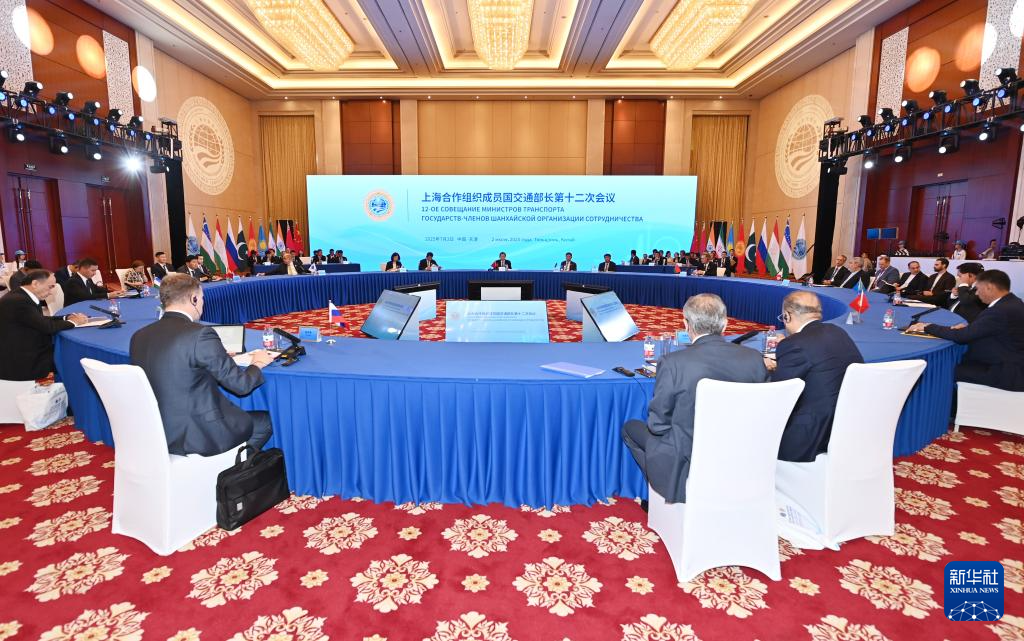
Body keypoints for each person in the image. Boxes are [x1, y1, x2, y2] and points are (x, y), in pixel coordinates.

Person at [621, 293, 768, 504]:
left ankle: (664, 493)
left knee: (630, 428)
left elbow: (657, 425)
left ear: (686, 324)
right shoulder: (753, 358)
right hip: (740, 451)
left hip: (685, 457)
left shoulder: (673, 363)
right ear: (725, 324)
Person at [130, 274, 277, 455]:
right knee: (267, 421)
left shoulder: (139, 335)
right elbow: (241, 385)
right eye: (201, 298)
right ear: (193, 299)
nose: (202, 303)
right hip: (196, 434)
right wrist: (257, 363)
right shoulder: (200, 335)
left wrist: (218, 355)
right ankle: (232, 468)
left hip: (154, 429)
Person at [764, 291, 864, 462]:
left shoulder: (794, 344)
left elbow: (778, 393)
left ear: (787, 316)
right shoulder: (838, 332)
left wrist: (769, 368)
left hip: (810, 436)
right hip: (848, 425)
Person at [909, 270, 1024, 391]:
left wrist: (928, 327)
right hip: (1011, 360)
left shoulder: (999, 311)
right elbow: (991, 328)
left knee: (940, 371)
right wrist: (969, 328)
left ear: (989, 287)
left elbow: (962, 337)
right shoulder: (1012, 302)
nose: (977, 293)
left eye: (978, 289)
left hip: (1007, 372)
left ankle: (945, 402)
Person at [0, 270, 88, 380]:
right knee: (73, 354)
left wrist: (65, 317)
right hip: (22, 358)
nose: (51, 292)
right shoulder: (19, 301)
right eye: (50, 287)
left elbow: (38, 320)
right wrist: (75, 322)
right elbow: (47, 327)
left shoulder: (21, 295)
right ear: (35, 284)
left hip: (24, 344)